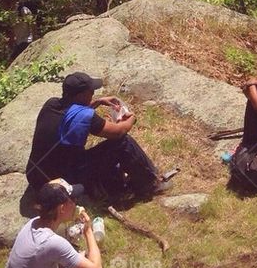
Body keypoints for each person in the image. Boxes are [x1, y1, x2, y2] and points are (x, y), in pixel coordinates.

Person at [25, 71, 161, 200]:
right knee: (123, 142)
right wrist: (131, 119)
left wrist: (98, 102)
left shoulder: (51, 104)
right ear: (81, 95)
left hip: (36, 177)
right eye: (91, 92)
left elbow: (70, 111)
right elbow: (118, 132)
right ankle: (150, 184)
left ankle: (137, 176)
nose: (93, 93)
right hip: (62, 181)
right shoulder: (85, 117)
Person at [0, 178, 104, 268]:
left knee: (76, 257)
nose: (74, 203)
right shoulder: (51, 242)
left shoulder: (32, 223)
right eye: (71, 200)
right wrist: (88, 231)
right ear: (61, 208)